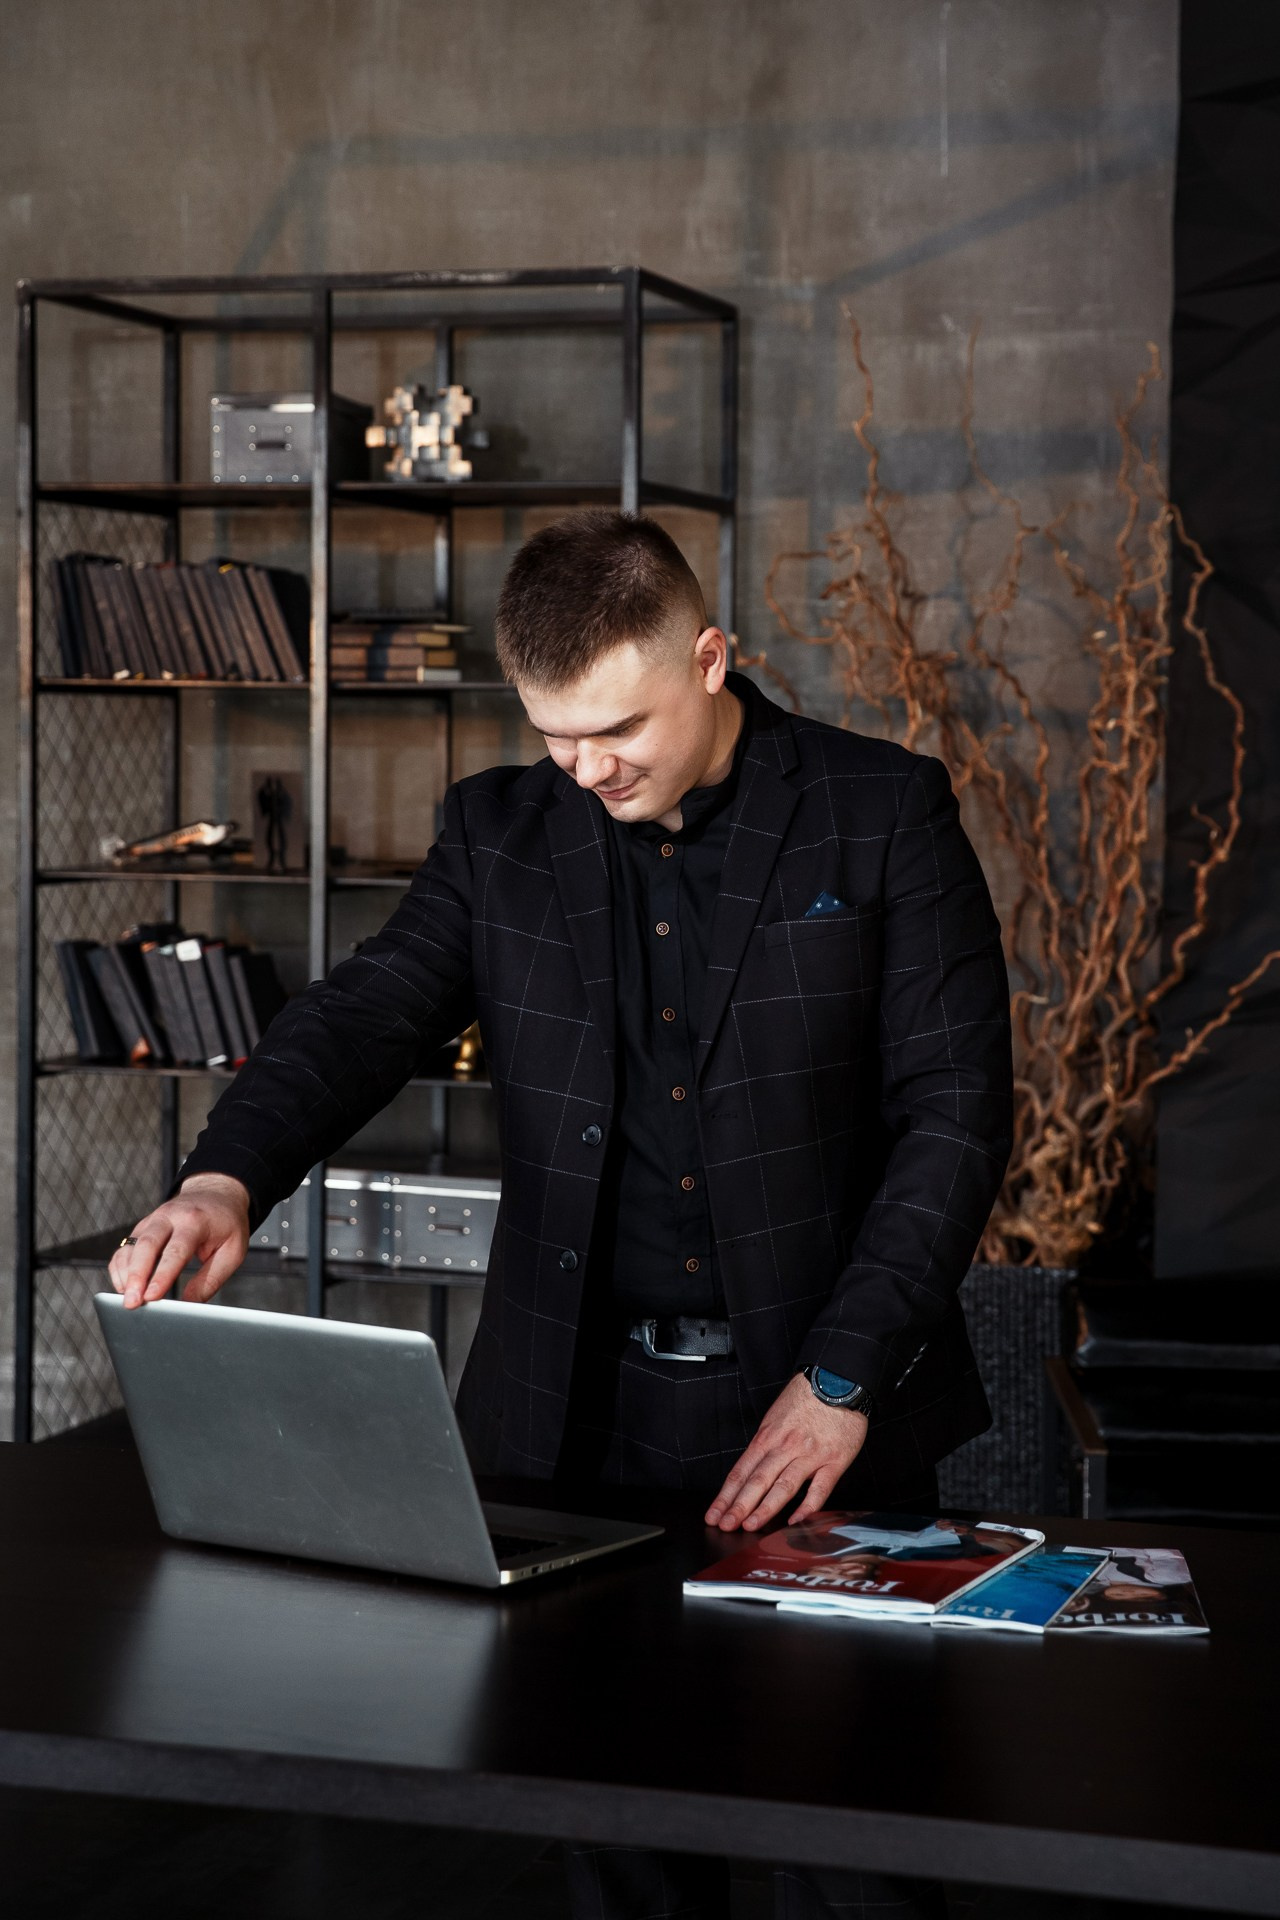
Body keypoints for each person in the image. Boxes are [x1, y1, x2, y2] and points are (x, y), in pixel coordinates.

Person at [109, 510, 1013, 1920]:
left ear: (710, 658)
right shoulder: (500, 831)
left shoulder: (882, 811)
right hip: (575, 1418)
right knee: (613, 1830)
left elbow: (954, 1115)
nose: (588, 770)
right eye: (556, 737)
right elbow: (365, 1015)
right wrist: (227, 1176)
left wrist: (844, 1376)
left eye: (619, 730)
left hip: (822, 1406)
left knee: (852, 1842)